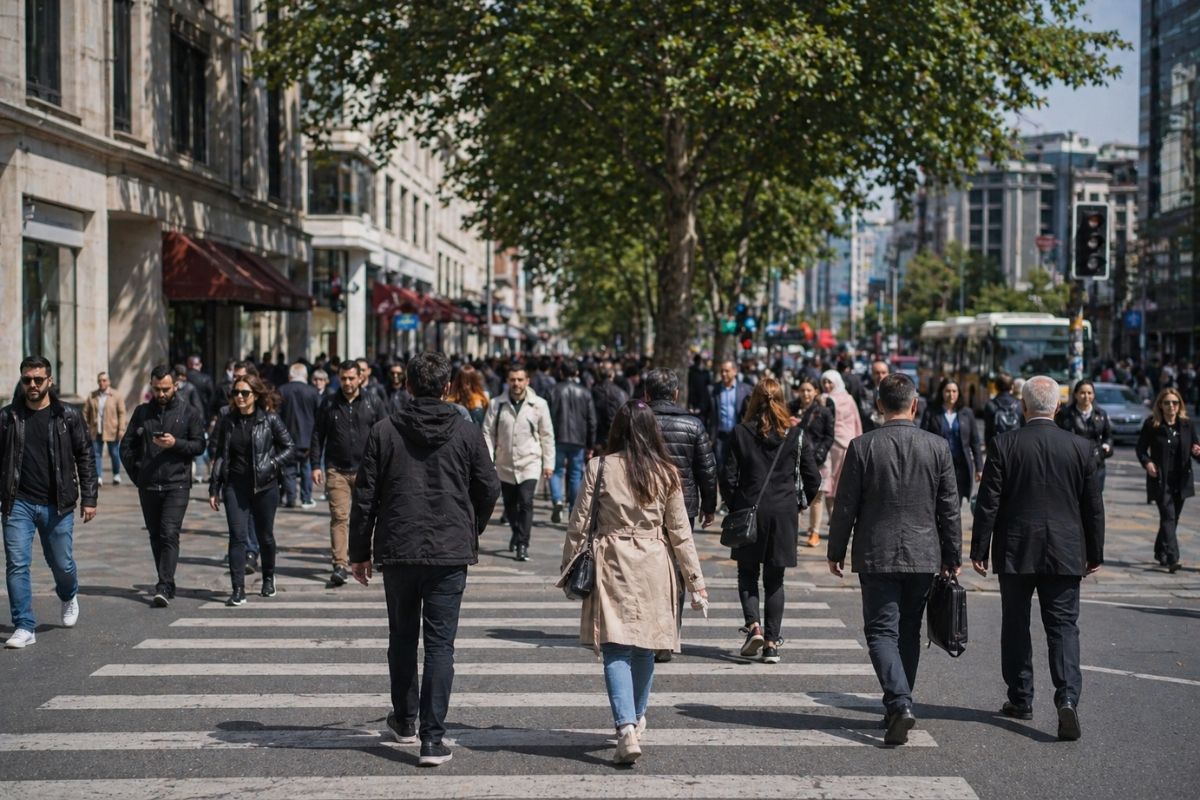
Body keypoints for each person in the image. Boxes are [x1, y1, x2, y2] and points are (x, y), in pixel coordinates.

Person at [349, 352, 500, 768]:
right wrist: (471, 525)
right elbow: (489, 487)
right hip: (448, 550)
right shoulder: (466, 432)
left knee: (401, 638)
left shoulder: (384, 430)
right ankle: (432, 739)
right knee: (440, 645)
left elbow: (365, 497)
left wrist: (358, 552)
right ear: (447, 387)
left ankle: (405, 721)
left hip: (399, 548)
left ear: (408, 386)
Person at [560, 400, 709, 764]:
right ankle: (637, 718)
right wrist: (696, 582)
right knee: (646, 645)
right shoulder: (667, 472)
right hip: (655, 562)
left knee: (615, 646)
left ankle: (625, 727)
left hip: (612, 559)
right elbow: (680, 532)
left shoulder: (599, 466)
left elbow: (579, 523)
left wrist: (569, 568)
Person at [827, 373, 961, 745]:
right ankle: (899, 703)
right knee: (908, 632)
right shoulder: (937, 446)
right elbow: (949, 508)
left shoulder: (862, 446)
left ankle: (899, 702)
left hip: (877, 551)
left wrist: (835, 550)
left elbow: (846, 506)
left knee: (881, 632)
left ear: (879, 405)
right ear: (914, 404)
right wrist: (953, 554)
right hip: (923, 552)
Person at [971, 376, 1104, 742]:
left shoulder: (1004, 444)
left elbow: (988, 503)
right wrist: (1095, 551)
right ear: (1058, 407)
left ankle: (1020, 697)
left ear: (1022, 407)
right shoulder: (1080, 447)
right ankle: (1067, 698)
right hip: (1065, 549)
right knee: (1063, 626)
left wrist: (979, 549)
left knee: (1016, 624)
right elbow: (1093, 507)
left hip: (1016, 549)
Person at [720, 378, 821, 665]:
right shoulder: (795, 435)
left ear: (753, 401)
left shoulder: (741, 433)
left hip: (749, 510)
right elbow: (813, 478)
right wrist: (799, 503)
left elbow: (727, 477)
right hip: (783, 512)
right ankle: (772, 644)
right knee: (775, 580)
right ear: (782, 400)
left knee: (747, 573)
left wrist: (735, 505)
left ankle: (754, 627)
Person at [1, 357, 96, 649]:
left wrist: (89, 498)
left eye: (38, 380)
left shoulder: (67, 415)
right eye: (27, 379)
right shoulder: (8, 417)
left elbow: (85, 455)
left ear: (49, 381)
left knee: (62, 564)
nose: (32, 385)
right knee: (17, 564)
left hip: (58, 504)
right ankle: (24, 626)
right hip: (18, 502)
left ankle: (68, 595)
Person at [646, 368, 718, 662]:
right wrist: (709, 506)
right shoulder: (693, 424)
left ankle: (648, 633)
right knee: (676, 569)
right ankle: (668, 636)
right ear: (676, 394)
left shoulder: (638, 422)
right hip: (683, 506)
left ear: (646, 394)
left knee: (648, 567)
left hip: (644, 504)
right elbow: (707, 469)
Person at [119, 365, 206, 606]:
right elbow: (126, 446)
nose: (161, 393)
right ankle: (167, 580)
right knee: (156, 535)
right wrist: (138, 474)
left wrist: (175, 443)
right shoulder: (142, 412)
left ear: (175, 386)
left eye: (165, 389)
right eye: (157, 389)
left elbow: (199, 445)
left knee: (169, 532)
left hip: (177, 484)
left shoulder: (189, 412)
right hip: (148, 485)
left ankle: (164, 585)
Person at [208, 374, 296, 606]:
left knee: (265, 536)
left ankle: (268, 577)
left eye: (245, 393)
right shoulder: (228, 420)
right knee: (237, 537)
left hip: (265, 487)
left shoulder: (269, 419)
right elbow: (220, 455)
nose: (239, 397)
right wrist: (214, 487)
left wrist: (272, 464)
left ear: (256, 395)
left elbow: (289, 448)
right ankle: (238, 589)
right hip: (235, 487)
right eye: (236, 392)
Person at [312, 360, 386, 586]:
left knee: (367, 516)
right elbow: (318, 435)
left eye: (351, 378)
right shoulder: (329, 403)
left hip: (367, 470)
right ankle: (339, 565)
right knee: (339, 517)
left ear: (360, 378)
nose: (347, 382)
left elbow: (385, 434)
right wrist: (315, 465)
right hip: (337, 469)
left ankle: (369, 556)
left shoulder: (373, 401)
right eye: (343, 378)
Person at [482, 365, 555, 561]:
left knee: (526, 502)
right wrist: (489, 459)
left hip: (530, 461)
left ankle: (523, 544)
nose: (516, 383)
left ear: (527, 381)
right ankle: (516, 531)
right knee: (510, 504)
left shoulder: (539, 405)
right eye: (513, 379)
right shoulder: (496, 404)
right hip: (505, 463)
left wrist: (549, 463)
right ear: (508, 381)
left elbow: (547, 435)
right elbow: (487, 432)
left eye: (520, 380)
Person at [1136, 388, 1200, 572]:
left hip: (1182, 480)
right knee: (1168, 516)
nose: (1171, 406)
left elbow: (1195, 450)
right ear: (1160, 405)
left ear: (1180, 405)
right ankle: (1173, 558)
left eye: (1175, 402)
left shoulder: (1187, 425)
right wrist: (1148, 463)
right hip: (1160, 480)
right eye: (1167, 403)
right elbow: (1140, 449)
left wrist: (1197, 452)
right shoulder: (1152, 424)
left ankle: (1160, 551)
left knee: (1172, 518)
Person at [548, 362, 597, 522]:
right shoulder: (585, 392)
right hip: (578, 439)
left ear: (561, 373)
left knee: (556, 471)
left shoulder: (553, 390)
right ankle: (572, 509)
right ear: (576, 373)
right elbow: (591, 420)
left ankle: (558, 500)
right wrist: (591, 444)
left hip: (557, 436)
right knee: (575, 474)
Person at [920, 379, 982, 507]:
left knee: (955, 504)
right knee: (938, 501)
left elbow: (975, 441)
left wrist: (979, 468)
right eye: (947, 391)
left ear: (959, 393)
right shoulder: (931, 412)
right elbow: (922, 439)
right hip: (938, 466)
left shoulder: (967, 413)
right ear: (942, 392)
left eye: (954, 391)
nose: (951, 394)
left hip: (960, 468)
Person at [790, 377, 834, 548]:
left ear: (816, 391)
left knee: (817, 495)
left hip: (818, 458)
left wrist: (819, 454)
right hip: (795, 457)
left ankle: (814, 531)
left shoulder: (824, 411)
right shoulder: (791, 409)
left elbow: (829, 436)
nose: (805, 394)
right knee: (794, 494)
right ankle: (792, 530)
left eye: (809, 390)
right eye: (802, 390)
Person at [820, 369, 863, 525]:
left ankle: (841, 519)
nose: (826, 385)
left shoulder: (845, 399)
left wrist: (858, 441)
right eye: (824, 382)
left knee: (841, 482)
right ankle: (833, 518)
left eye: (829, 382)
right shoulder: (823, 399)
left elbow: (856, 420)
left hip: (846, 444)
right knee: (830, 481)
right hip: (831, 445)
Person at [1055, 379, 1114, 492]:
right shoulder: (1065, 414)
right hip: (1072, 464)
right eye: (1082, 393)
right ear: (1075, 394)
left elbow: (1108, 436)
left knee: (1094, 496)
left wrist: (1105, 449)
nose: (1086, 396)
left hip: (1096, 464)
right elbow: (1058, 436)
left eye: (1089, 393)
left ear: (1094, 395)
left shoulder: (1101, 414)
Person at [278, 362, 321, 509]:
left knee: (289, 469)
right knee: (306, 468)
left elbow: (277, 414)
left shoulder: (282, 390)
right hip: (307, 437)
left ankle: (291, 498)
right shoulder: (312, 391)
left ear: (290, 375)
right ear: (305, 375)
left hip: (286, 436)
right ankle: (306, 498)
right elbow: (319, 414)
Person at [708, 359, 752, 472]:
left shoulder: (746, 390)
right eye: (722, 371)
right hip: (719, 437)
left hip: (738, 436)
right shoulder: (713, 390)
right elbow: (707, 413)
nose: (723, 374)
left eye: (727, 371)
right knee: (720, 468)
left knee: (737, 468)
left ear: (735, 371)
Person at [83, 371, 127, 485]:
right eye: (99, 380)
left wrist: (121, 429)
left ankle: (116, 474)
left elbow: (122, 413)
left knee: (114, 453)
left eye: (104, 380)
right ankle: (98, 477)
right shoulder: (92, 395)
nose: (101, 382)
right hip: (96, 430)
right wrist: (86, 427)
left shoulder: (116, 395)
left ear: (109, 382)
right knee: (96, 454)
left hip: (112, 430)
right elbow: (85, 413)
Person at [592, 364, 628, 453]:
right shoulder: (621, 393)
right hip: (617, 438)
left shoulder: (593, 391)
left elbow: (592, 418)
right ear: (612, 375)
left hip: (599, 438)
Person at [984, 372, 1024, 449]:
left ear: (996, 386)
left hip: (997, 447)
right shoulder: (1019, 404)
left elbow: (988, 432)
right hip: (1016, 447)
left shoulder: (990, 405)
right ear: (1012, 386)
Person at [859, 359, 890, 432]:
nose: (880, 376)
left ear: (888, 373)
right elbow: (867, 412)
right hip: (872, 430)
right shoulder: (866, 389)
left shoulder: (893, 388)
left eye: (883, 372)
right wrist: (888, 421)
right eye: (877, 373)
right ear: (872, 374)